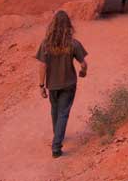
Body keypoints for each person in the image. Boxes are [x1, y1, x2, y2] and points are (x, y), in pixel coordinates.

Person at [35, 10, 88, 158]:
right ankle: (56, 146)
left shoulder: (46, 44)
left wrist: (41, 86)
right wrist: (83, 72)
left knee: (55, 110)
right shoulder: (73, 44)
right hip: (69, 83)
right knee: (63, 113)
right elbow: (83, 64)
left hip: (52, 84)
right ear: (68, 26)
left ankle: (57, 134)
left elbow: (42, 66)